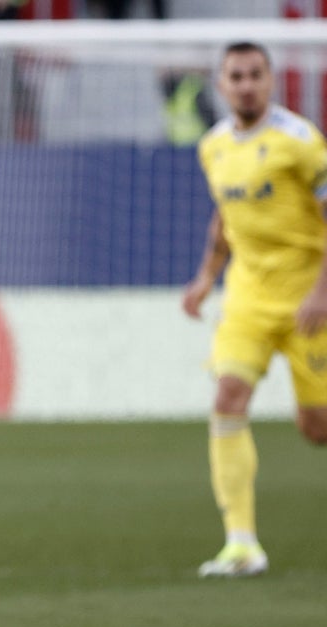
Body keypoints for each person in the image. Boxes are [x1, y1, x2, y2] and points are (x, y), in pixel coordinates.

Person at [181, 41, 327, 578]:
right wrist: (204, 277)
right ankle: (241, 544)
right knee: (228, 396)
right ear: (221, 84)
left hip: (311, 298)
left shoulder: (301, 143)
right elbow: (225, 218)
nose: (245, 85)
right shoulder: (213, 147)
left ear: (270, 82)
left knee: (317, 428)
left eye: (255, 75)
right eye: (236, 76)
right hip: (247, 297)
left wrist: (322, 292)